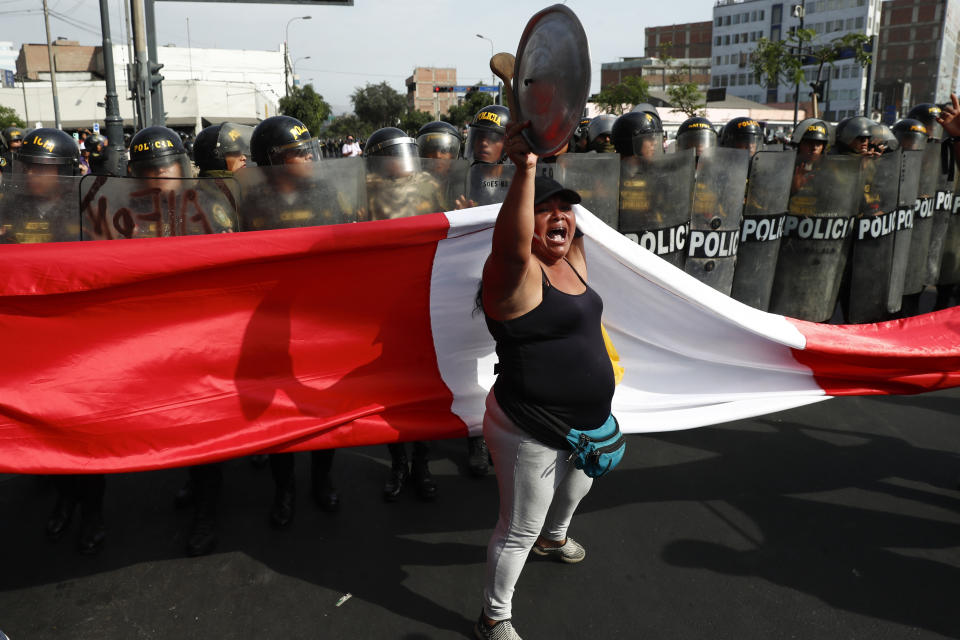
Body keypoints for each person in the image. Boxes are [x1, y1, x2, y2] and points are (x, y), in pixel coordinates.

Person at [474, 120, 616, 640]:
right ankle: (494, 618)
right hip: (529, 426)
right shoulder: (513, 273)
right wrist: (525, 168)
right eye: (545, 209)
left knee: (579, 486)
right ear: (521, 221)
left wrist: (553, 124)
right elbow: (510, 244)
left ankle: (555, 540)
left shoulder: (573, 258)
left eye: (566, 209)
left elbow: (572, 224)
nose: (559, 216)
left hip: (589, 424)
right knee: (517, 531)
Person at [242, 114, 341, 527]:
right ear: (272, 161)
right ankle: (284, 489)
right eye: (296, 153)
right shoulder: (250, 203)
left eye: (306, 150)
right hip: (266, 324)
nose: (307, 158)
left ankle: (322, 481)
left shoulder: (324, 194)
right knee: (279, 412)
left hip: (317, 320)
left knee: (323, 404)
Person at [789, 118, 830, 194]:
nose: (814, 147)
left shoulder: (829, 170)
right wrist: (793, 188)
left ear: (823, 147)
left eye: (818, 143)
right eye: (809, 143)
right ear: (798, 145)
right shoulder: (787, 169)